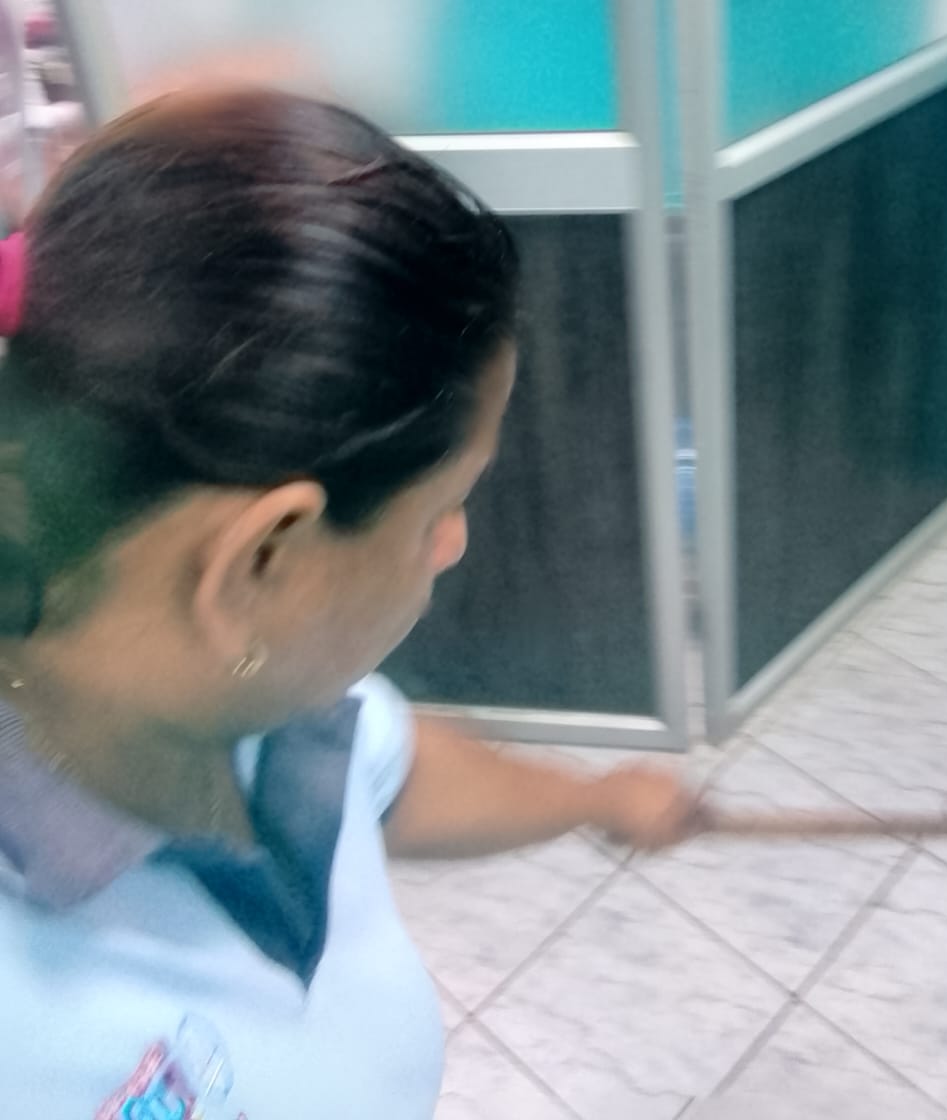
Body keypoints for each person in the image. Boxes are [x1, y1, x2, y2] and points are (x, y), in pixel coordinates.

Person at [0, 86, 699, 1118]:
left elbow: (380, 769)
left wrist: (593, 799)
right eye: (441, 509)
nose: (454, 544)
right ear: (262, 560)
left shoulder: (248, 688)